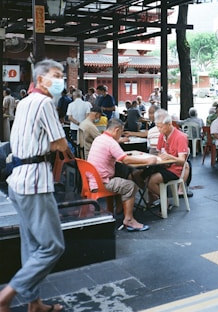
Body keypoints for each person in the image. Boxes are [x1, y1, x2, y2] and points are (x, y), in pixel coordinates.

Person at [0, 59, 73, 312]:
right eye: (56, 75)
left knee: (31, 246)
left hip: (17, 181)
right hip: (35, 183)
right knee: (53, 246)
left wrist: (49, 142)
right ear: (41, 80)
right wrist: (54, 143)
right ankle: (6, 295)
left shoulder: (24, 103)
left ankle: (35, 304)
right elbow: (61, 144)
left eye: (61, 75)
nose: (60, 79)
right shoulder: (44, 103)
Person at [87, 118, 158, 231]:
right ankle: (129, 220)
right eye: (120, 132)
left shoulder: (99, 138)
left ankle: (120, 208)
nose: (120, 135)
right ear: (116, 130)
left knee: (121, 176)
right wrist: (147, 161)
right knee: (130, 186)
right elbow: (125, 160)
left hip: (93, 179)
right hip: (102, 182)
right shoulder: (111, 142)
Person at [147, 109, 190, 204]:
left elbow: (182, 161)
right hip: (163, 166)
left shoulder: (180, 137)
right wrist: (162, 157)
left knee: (151, 182)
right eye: (157, 127)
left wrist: (170, 157)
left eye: (161, 127)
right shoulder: (161, 135)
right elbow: (159, 152)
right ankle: (155, 197)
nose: (159, 130)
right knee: (139, 175)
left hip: (175, 170)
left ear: (169, 124)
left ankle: (165, 201)